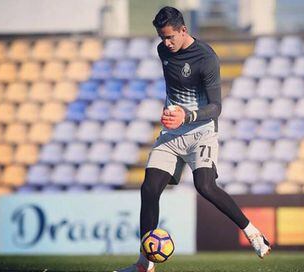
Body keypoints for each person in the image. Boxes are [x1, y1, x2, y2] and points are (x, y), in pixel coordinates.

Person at [115, 6, 271, 272]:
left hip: (201, 131)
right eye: (161, 37)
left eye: (169, 37)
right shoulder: (163, 51)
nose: (165, 43)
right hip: (172, 133)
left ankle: (253, 233)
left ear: (183, 30)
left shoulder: (207, 58)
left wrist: (185, 116)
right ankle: (145, 264)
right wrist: (173, 115)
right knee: (149, 189)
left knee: (205, 186)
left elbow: (216, 107)